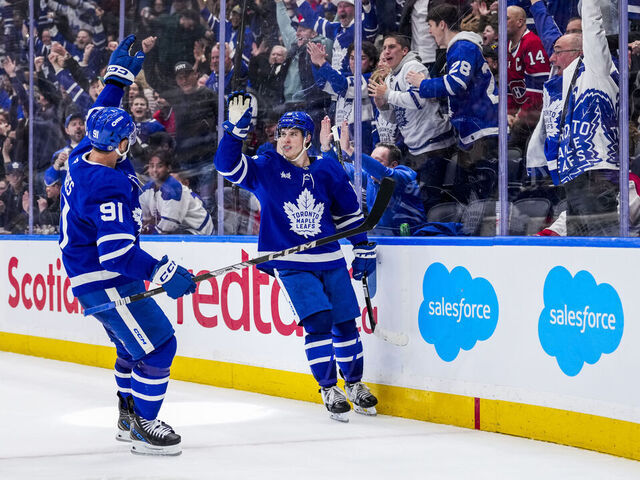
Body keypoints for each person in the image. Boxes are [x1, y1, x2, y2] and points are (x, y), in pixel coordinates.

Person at [58, 35, 197, 455]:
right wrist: (163, 271)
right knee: (160, 344)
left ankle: (126, 415)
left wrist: (119, 75)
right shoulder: (109, 184)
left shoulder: (84, 151)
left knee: (128, 347)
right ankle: (145, 425)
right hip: (108, 280)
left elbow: (103, 111)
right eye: (127, 141)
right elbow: (116, 253)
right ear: (119, 145)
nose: (129, 146)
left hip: (92, 279)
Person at [215, 93, 378, 422]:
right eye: (281, 134)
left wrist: (362, 246)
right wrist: (234, 132)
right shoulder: (266, 167)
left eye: (292, 134)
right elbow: (226, 166)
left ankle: (355, 384)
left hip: (330, 259)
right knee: (318, 322)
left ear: (307, 140)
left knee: (346, 323)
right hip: (291, 264)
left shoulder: (327, 169)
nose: (284, 139)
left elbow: (348, 213)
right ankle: (329, 387)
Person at [526, 0, 619, 236]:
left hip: (595, 173)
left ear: (580, 52)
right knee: (578, 245)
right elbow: (549, 35)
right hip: (573, 176)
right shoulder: (564, 81)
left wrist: (589, 3)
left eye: (557, 52)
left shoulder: (597, 71)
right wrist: (536, 5)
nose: (552, 57)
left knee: (604, 241)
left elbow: (593, 29)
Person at [406, 4, 499, 202]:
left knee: (484, 191)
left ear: (442, 24)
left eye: (430, 25)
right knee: (469, 190)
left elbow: (456, 83)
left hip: (482, 127)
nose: (429, 31)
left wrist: (423, 84)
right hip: (473, 128)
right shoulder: (455, 48)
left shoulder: (462, 45)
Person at [368, 33, 456, 215]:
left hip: (434, 145)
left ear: (405, 50)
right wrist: (382, 106)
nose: (386, 52)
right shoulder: (392, 77)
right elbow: (396, 118)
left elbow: (418, 100)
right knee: (419, 198)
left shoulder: (413, 67)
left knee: (431, 201)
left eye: (391, 47)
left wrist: (388, 95)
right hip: (416, 148)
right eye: (384, 48)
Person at [328, 118, 426, 236]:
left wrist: (350, 150)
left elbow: (383, 173)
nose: (370, 165)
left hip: (413, 239)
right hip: (382, 238)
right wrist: (327, 148)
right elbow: (341, 169)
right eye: (371, 159)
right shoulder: (370, 178)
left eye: (377, 161)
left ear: (393, 165)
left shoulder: (404, 175)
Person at [506, 6, 551, 152]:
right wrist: (508, 113)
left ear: (520, 22)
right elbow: (509, 87)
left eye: (506, 19)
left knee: (510, 148)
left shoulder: (532, 43)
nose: (501, 23)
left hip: (536, 114)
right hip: (520, 114)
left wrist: (520, 115)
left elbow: (538, 89)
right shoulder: (506, 46)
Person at [140, 150, 214, 235]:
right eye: (151, 166)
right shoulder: (146, 190)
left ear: (168, 168)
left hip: (198, 230)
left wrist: (152, 232)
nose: (154, 170)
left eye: (159, 166)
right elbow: (142, 218)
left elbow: (168, 225)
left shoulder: (173, 188)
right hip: (179, 228)